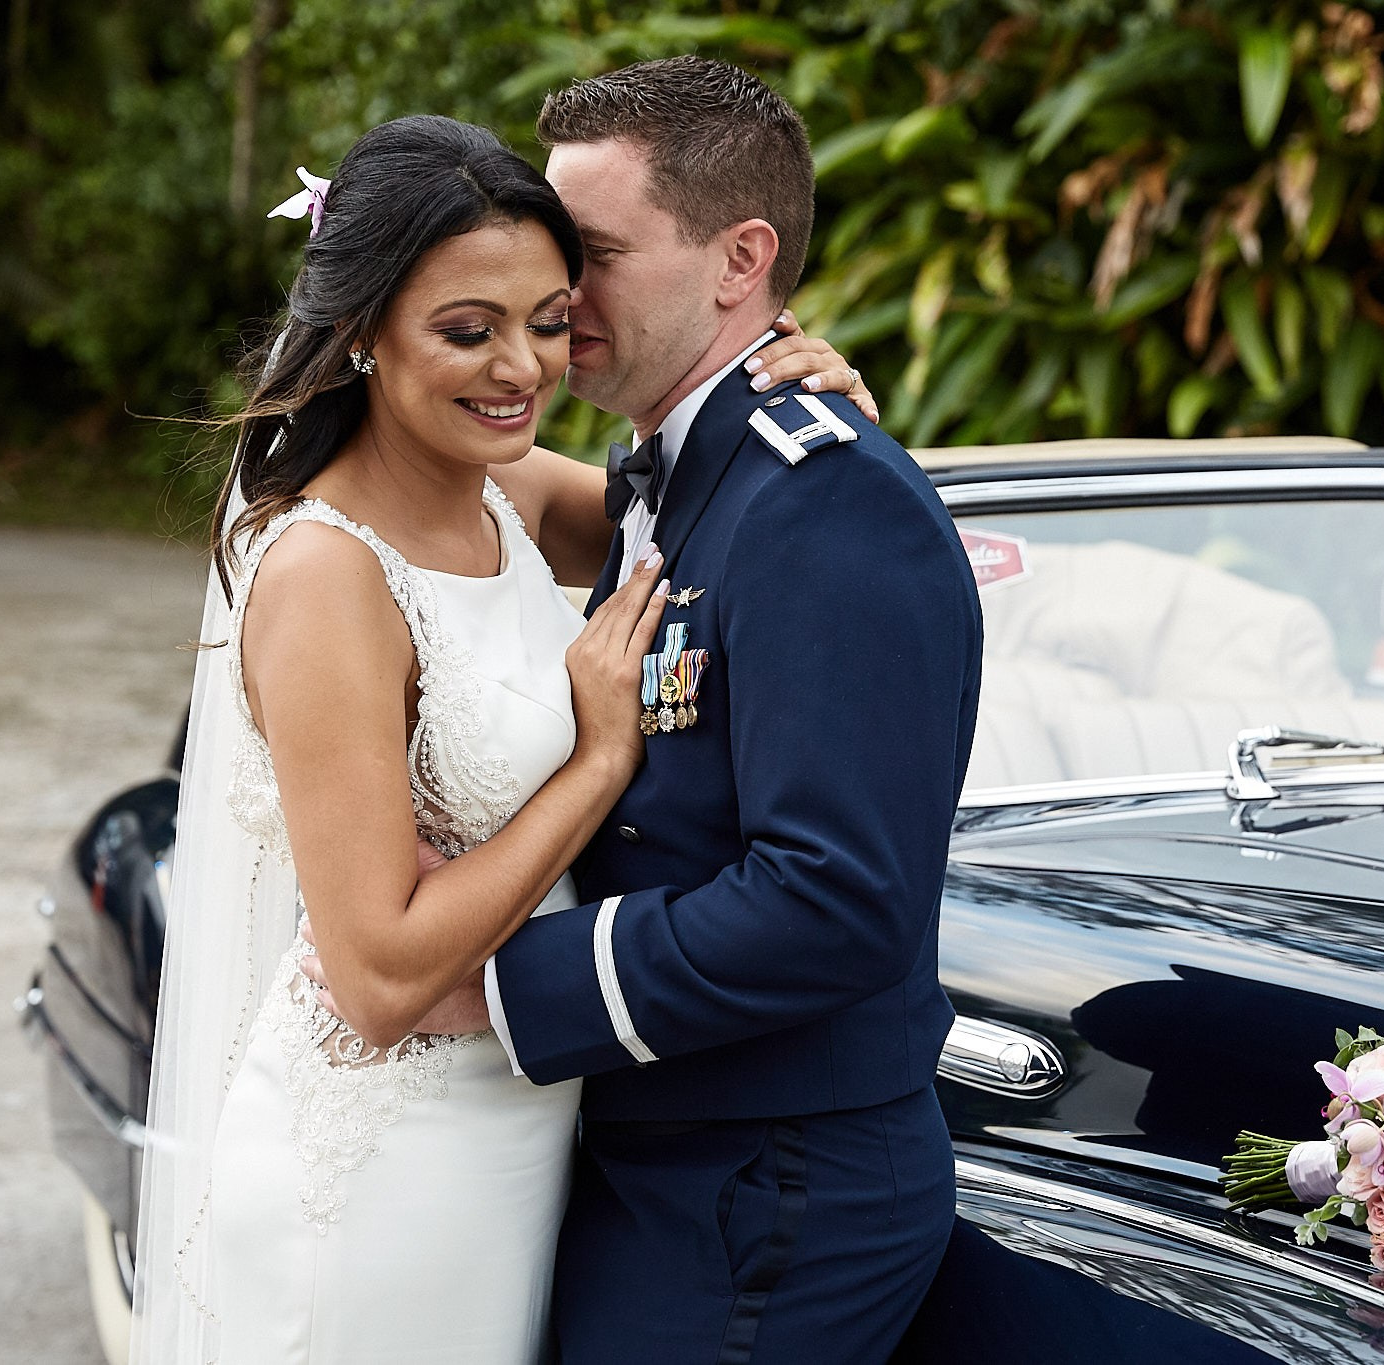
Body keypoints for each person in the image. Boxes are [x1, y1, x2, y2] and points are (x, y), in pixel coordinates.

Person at [131, 112, 872, 1364]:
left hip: (518, 1135)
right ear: (361, 333)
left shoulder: (512, 498)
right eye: (466, 331)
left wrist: (801, 385)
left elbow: (726, 511)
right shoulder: (323, 574)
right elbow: (374, 976)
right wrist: (594, 766)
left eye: (546, 318)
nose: (522, 368)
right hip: (382, 1163)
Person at [443, 55, 984, 1365]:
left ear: (741, 258)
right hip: (677, 1152)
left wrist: (498, 984)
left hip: (769, 1184)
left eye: (597, 253)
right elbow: (425, 449)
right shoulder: (683, 465)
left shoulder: (822, 494)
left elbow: (835, 896)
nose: (561, 295)